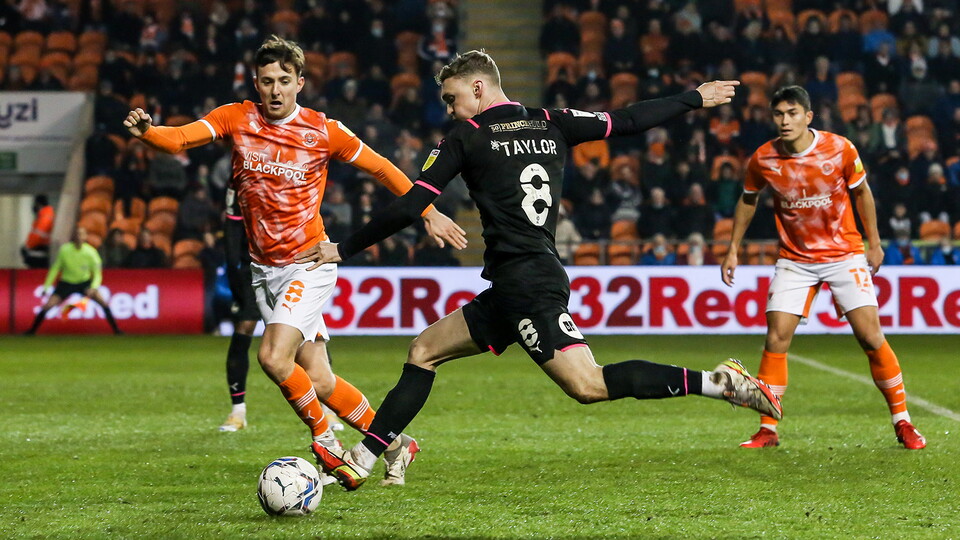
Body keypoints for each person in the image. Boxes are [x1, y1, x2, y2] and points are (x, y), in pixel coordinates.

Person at [299, 50, 782, 491]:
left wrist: (344, 246)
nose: (449, 109)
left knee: (588, 385)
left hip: (525, 285)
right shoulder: (552, 121)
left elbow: (410, 208)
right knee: (424, 349)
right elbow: (630, 119)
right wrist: (692, 98)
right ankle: (367, 456)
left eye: (452, 98)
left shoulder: (466, 136)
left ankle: (717, 383)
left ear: (479, 88)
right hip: (520, 281)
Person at [123, 35, 467, 485]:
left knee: (271, 357)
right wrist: (149, 131)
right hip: (264, 269)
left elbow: (383, 168)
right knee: (320, 380)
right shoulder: (237, 117)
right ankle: (399, 446)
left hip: (309, 263)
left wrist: (429, 211)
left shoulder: (325, 130)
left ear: (300, 83)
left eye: (284, 80)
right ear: (255, 82)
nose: (275, 90)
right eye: (267, 81)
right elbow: (181, 139)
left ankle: (327, 441)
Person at [720, 86, 926, 450]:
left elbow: (862, 193)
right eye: (779, 114)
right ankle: (768, 429)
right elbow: (748, 200)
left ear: (808, 116)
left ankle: (903, 421)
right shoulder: (763, 158)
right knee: (776, 338)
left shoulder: (840, 149)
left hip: (843, 253)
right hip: (796, 260)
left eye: (792, 113)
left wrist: (873, 243)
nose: (785, 121)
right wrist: (733, 248)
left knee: (870, 337)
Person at [25, 226, 123, 335]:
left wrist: (94, 287)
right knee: (48, 306)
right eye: (76, 234)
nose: (78, 236)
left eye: (81, 234)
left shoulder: (91, 252)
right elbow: (55, 269)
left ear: (85, 237)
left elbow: (97, 274)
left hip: (84, 283)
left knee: (104, 303)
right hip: (66, 283)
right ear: (73, 237)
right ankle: (31, 331)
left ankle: (116, 330)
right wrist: (47, 286)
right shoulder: (65, 250)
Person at [21, 194, 55, 268]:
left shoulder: (45, 216)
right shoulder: (46, 214)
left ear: (38, 204)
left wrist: (27, 247)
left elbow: (38, 235)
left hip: (39, 252)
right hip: (43, 249)